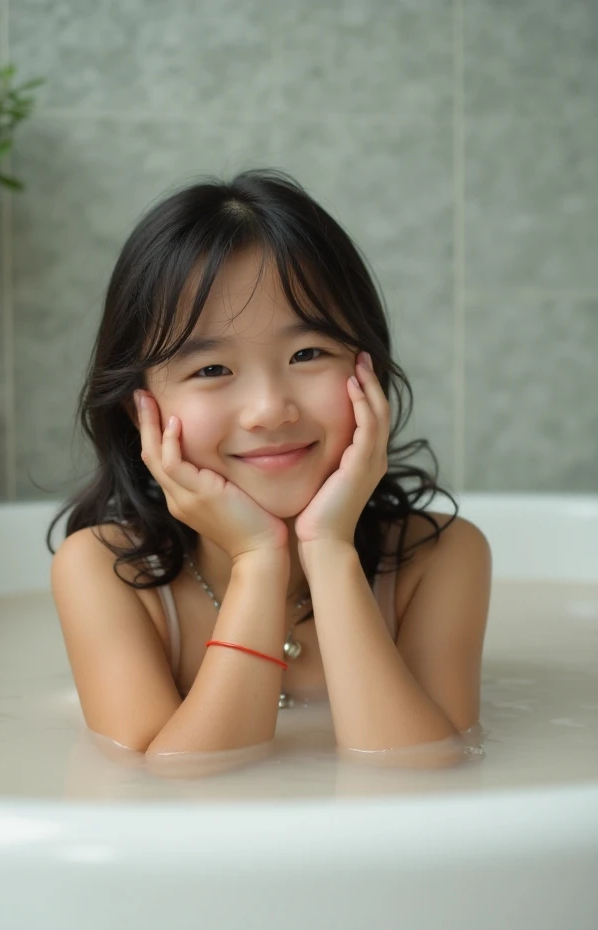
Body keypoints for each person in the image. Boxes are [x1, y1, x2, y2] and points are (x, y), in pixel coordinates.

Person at [47, 167, 492, 762]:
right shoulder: (104, 572)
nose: (269, 410)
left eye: (308, 353)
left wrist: (330, 550)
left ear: (369, 372)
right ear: (140, 411)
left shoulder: (441, 558)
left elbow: (422, 772)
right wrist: (259, 563)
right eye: (212, 370)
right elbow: (171, 792)